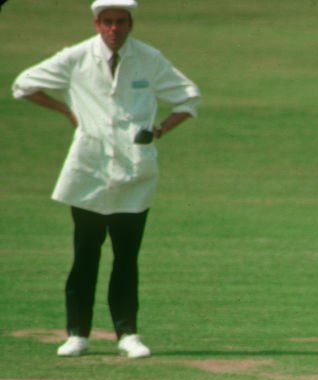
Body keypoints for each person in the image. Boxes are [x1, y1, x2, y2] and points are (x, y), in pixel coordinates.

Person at [12, 0, 201, 358]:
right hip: (89, 169)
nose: (114, 29)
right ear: (97, 24)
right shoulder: (76, 57)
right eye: (108, 22)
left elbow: (189, 97)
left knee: (126, 255)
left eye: (121, 22)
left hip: (134, 169)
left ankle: (127, 334)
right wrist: (68, 112)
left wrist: (160, 129)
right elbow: (23, 85)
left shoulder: (148, 58)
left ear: (131, 24)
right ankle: (77, 334)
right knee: (85, 253)